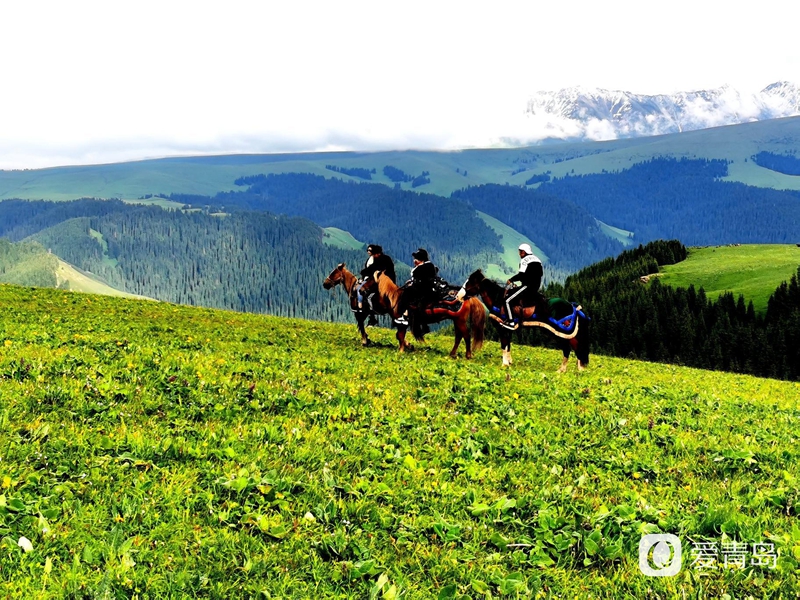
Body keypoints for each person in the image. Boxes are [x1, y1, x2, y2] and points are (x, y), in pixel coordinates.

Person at [502, 243, 544, 329]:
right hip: (536, 287)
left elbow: (521, 275)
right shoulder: (537, 259)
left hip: (527, 287)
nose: (519, 254)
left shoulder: (524, 260)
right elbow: (540, 274)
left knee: (507, 300)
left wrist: (511, 280)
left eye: (520, 252)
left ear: (524, 252)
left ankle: (511, 322)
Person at [394, 248, 437, 326]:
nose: (414, 260)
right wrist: (412, 282)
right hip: (424, 288)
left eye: (416, 259)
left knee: (406, 293)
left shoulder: (425, 266)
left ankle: (405, 315)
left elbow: (421, 278)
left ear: (421, 259)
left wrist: (413, 283)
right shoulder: (428, 265)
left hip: (424, 290)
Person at [356, 244, 396, 325]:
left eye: (374, 254)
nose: (373, 255)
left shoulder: (380, 260)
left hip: (383, 283)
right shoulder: (384, 258)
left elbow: (373, 269)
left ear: (378, 253)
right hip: (387, 281)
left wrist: (364, 272)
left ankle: (371, 315)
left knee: (369, 295)